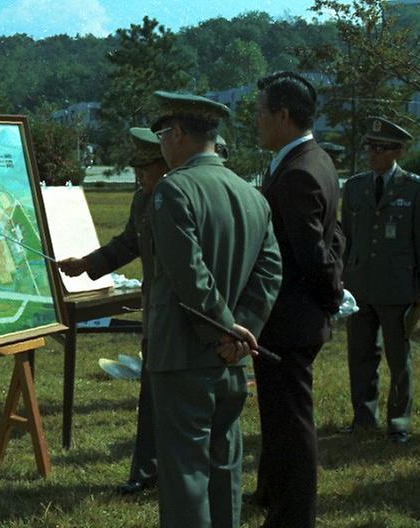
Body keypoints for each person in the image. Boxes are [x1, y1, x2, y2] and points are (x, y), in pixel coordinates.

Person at [146, 91, 282, 528]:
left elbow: (190, 275)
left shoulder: (174, 188)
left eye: (164, 136)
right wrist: (243, 329)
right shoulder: (252, 195)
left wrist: (226, 331)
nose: (162, 148)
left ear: (179, 133)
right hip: (232, 356)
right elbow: (270, 270)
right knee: (224, 461)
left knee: (185, 468)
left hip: (185, 353)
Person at [251, 72, 345, 528]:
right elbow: (337, 236)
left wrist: (331, 298)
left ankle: (295, 515)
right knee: (279, 417)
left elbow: (313, 255)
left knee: (291, 423)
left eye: (261, 113)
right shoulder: (314, 160)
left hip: (290, 321)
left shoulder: (299, 173)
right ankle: (272, 494)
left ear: (283, 116)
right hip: (292, 318)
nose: (257, 122)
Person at [58, 126, 169, 496]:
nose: (139, 176)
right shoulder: (143, 199)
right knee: (152, 396)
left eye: (146, 168)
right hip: (156, 315)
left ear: (167, 163)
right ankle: (146, 472)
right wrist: (87, 264)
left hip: (189, 318)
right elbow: (128, 243)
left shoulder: (187, 198)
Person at [341, 116, 420, 445]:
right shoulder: (356, 186)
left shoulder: (416, 188)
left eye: (380, 148)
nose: (372, 153)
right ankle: (363, 417)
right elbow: (347, 237)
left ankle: (399, 422)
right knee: (360, 355)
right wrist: (344, 280)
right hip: (360, 286)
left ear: (398, 152)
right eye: (369, 147)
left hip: (398, 289)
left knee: (398, 358)